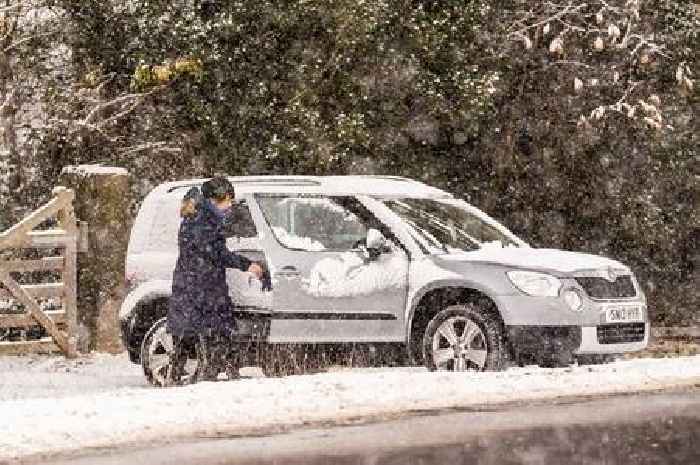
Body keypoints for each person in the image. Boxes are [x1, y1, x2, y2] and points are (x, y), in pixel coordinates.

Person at [167, 177, 263, 384]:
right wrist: (247, 264)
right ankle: (207, 378)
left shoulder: (199, 217)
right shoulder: (202, 221)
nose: (230, 206)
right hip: (202, 287)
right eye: (227, 201)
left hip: (197, 285)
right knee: (212, 334)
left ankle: (186, 376)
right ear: (213, 200)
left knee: (191, 335)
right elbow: (217, 253)